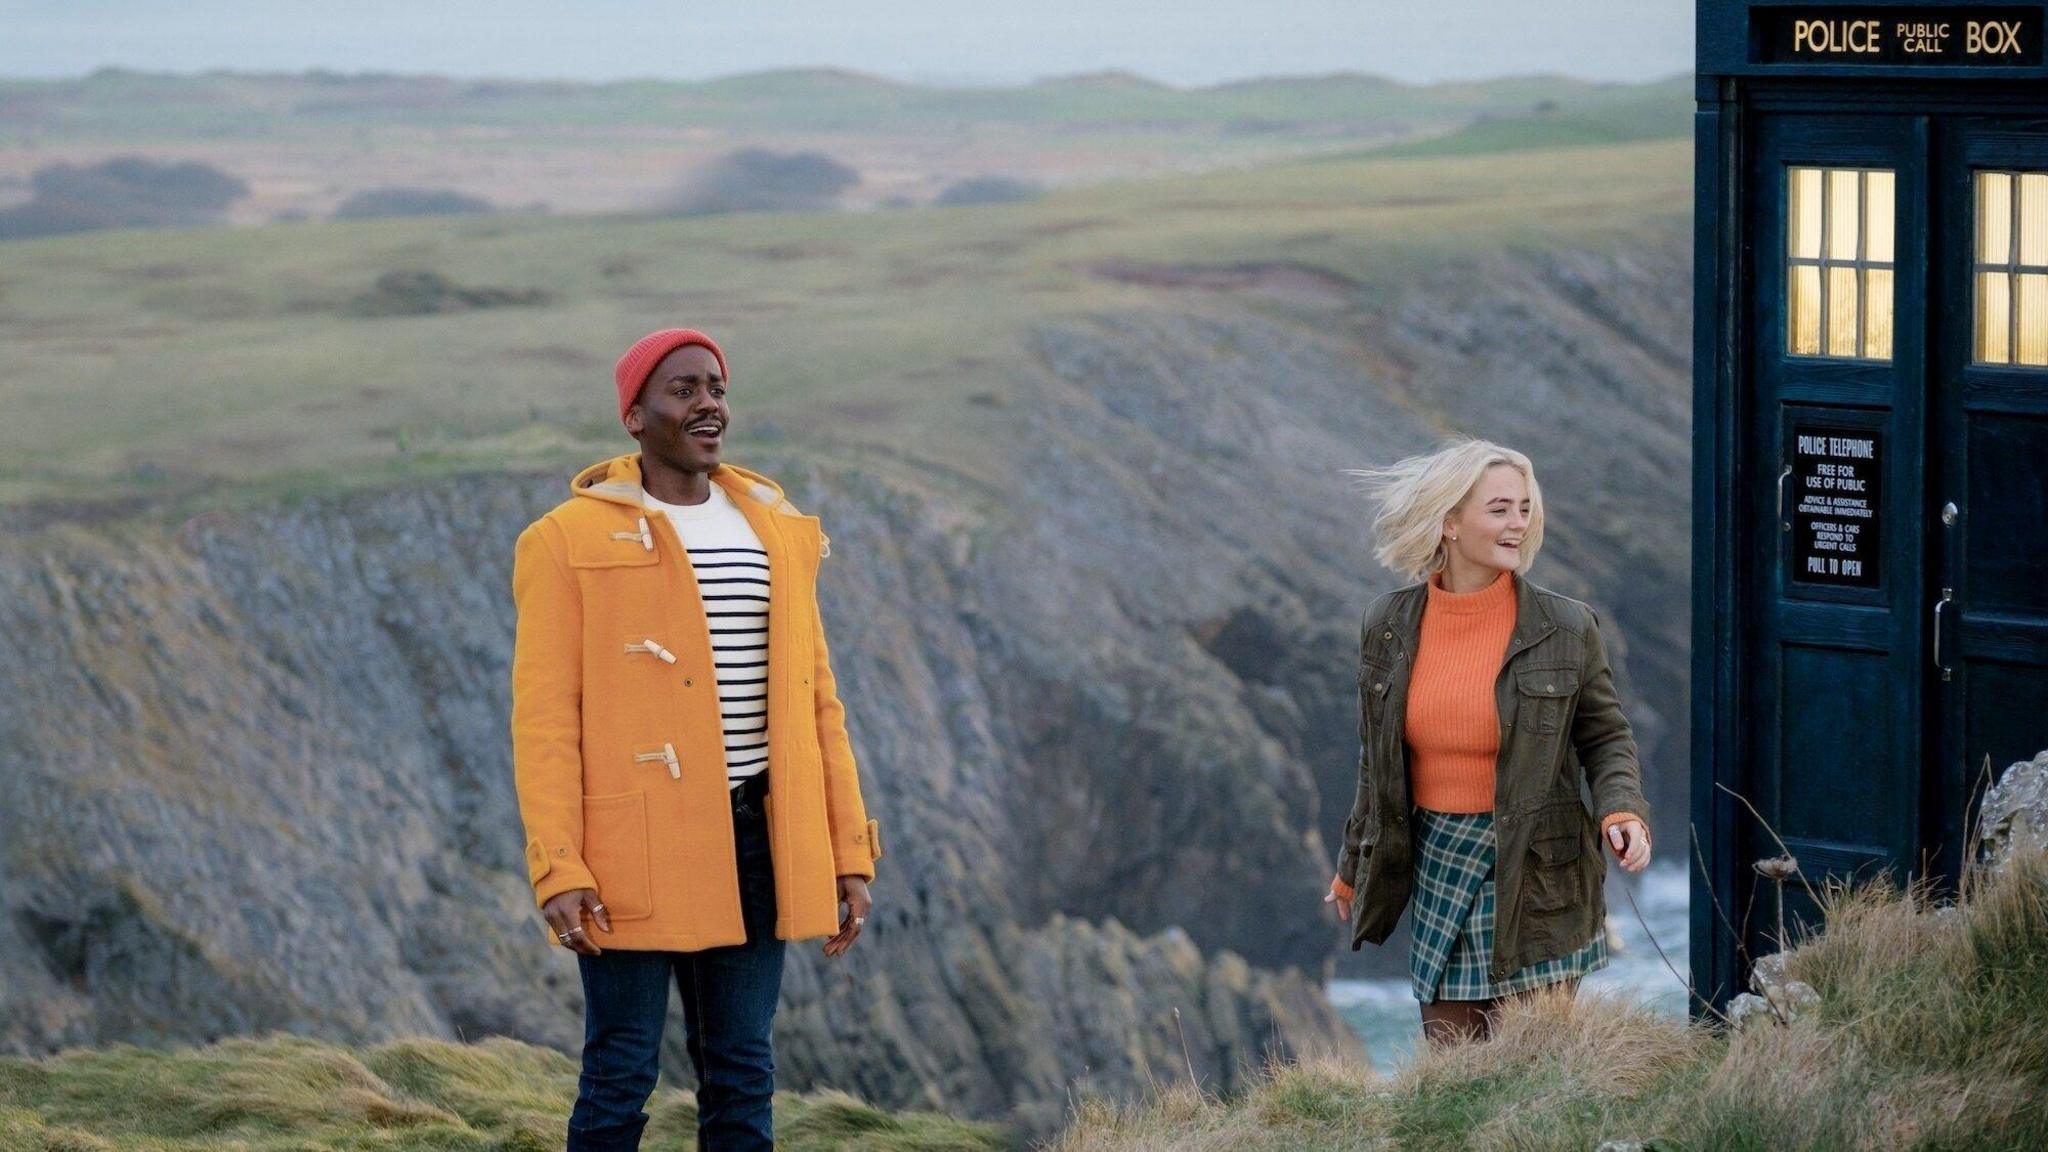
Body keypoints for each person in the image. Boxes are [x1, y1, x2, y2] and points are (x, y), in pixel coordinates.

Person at [511, 327, 883, 1150]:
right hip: (626, 849)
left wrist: (847, 847)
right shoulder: (562, 541)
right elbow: (543, 721)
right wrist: (557, 864)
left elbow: (820, 702)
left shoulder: (776, 530)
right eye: (683, 390)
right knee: (620, 1073)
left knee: (743, 1071)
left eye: (715, 387)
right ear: (635, 416)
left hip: (759, 837)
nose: (708, 403)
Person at [1322, 438, 1650, 1047]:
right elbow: (1378, 767)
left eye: (1525, 509)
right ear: (1449, 521)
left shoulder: (1567, 626)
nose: (1518, 525)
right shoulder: (1387, 625)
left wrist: (1622, 809)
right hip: (1440, 858)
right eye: (1500, 509)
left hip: (1540, 869)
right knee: (1453, 1069)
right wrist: (1353, 869)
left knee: (1533, 1067)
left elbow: (1606, 737)